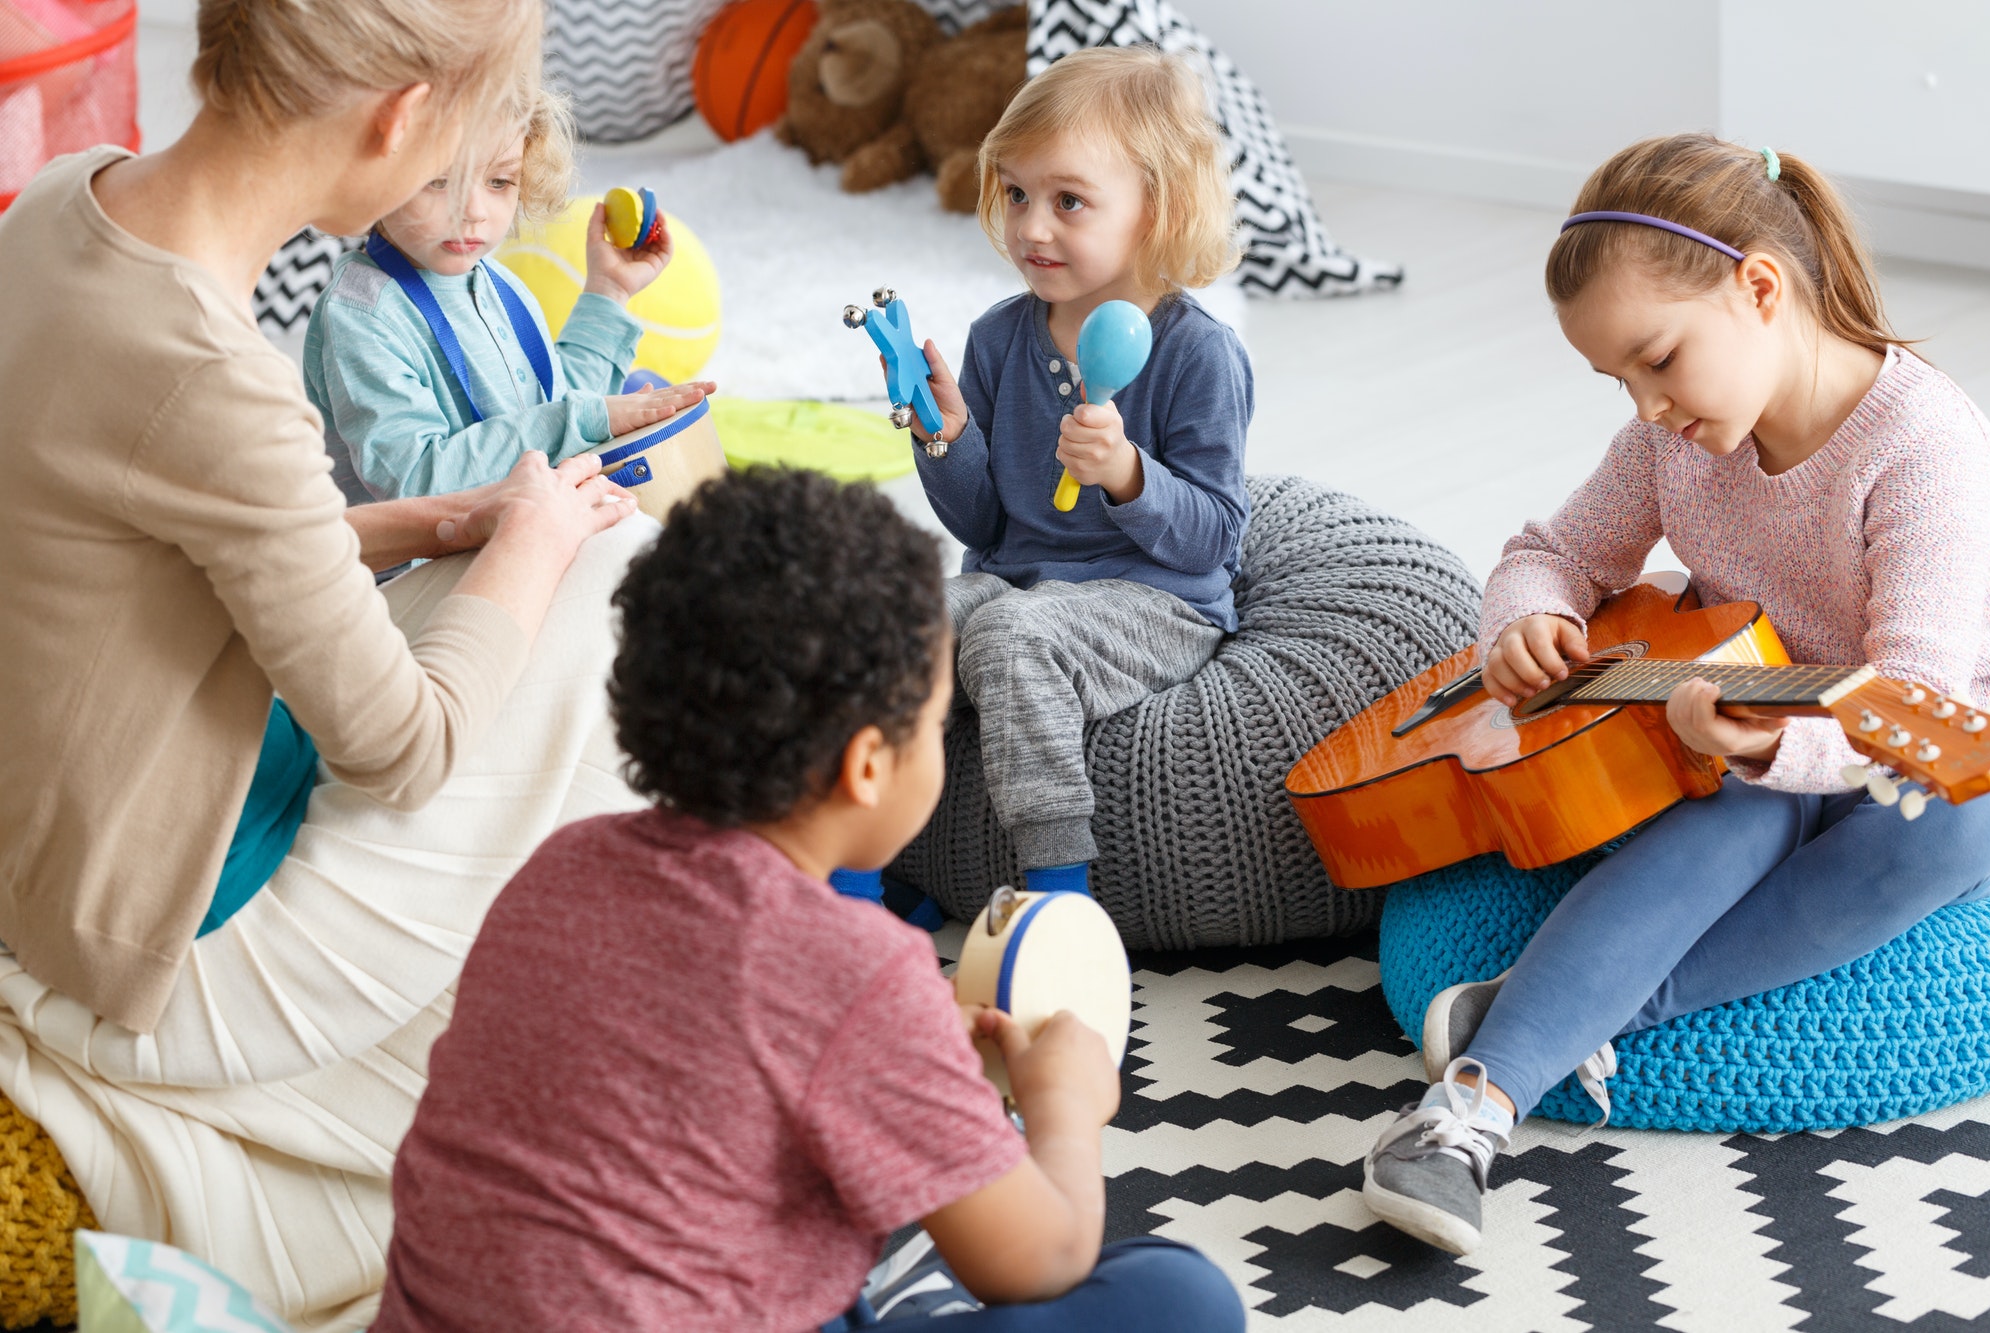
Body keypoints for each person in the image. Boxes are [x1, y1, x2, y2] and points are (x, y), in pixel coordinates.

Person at [0, 0, 661, 1325]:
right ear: (400, 114)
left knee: (524, 565)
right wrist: (532, 545)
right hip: (157, 947)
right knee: (609, 576)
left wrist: (424, 525)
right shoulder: (218, 375)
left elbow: (175, 521)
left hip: (45, 863)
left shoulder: (62, 206)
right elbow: (404, 748)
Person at [369, 468, 1246, 1332]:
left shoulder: (561, 868)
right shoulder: (856, 971)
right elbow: (1036, 1262)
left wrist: (898, 1045)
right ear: (869, 765)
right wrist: (1065, 1103)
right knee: (1181, 1299)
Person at [1361, 134, 1990, 1256]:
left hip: (1898, 744)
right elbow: (1550, 549)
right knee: (1725, 824)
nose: (1646, 407)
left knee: (1955, 834)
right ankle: (1463, 1112)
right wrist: (1526, 618)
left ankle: (1537, 1010)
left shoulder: (1924, 451)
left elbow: (1913, 698)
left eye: (1656, 360)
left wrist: (1775, 751)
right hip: (1737, 728)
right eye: (1617, 381)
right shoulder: (1673, 447)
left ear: (1758, 286)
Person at [863, 45, 1250, 902]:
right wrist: (946, 438)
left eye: (1068, 200)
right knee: (891, 623)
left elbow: (1217, 534)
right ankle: (883, 861)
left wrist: (1127, 475)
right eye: (1016, 194)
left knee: (1009, 639)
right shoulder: (1000, 339)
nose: (1031, 227)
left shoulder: (1199, 353)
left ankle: (1056, 887)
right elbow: (986, 526)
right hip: (1019, 579)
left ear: (1158, 208)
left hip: (1157, 600)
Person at [303, 83, 712, 505]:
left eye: (499, 181)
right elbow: (414, 481)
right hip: (425, 563)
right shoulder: (360, 315)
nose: (475, 211)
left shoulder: (495, 282)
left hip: (519, 518)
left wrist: (609, 290)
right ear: (374, 174)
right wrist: (590, 417)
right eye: (439, 180)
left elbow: (551, 412)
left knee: (650, 401)